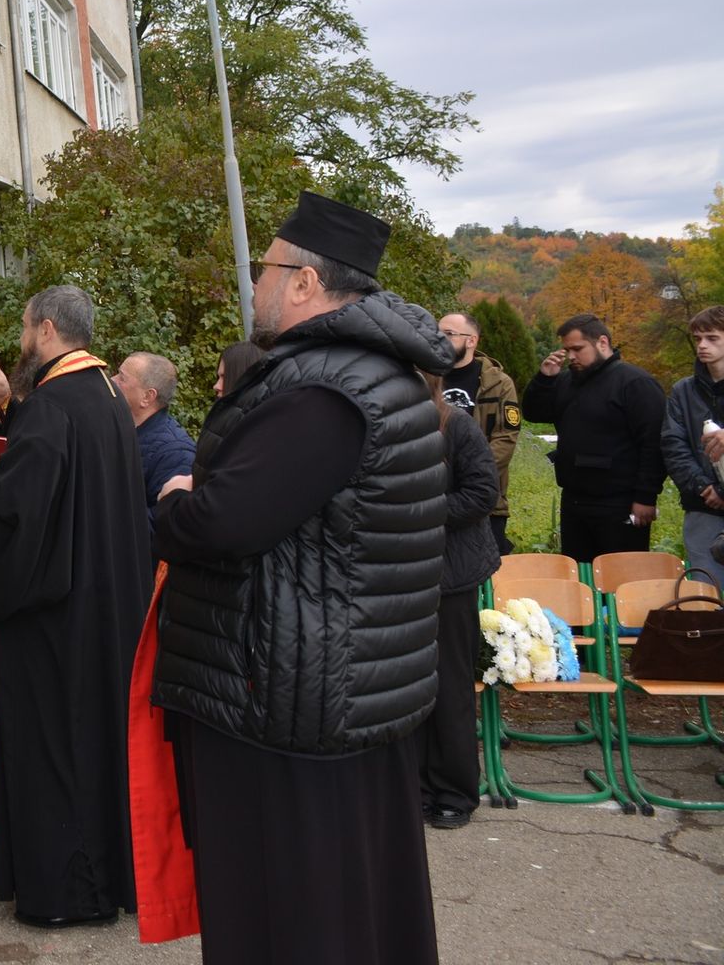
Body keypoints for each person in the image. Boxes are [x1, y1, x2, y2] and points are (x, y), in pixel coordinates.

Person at [149, 191, 451, 964]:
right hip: (333, 689)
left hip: (289, 703)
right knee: (352, 904)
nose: (255, 286)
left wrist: (174, 502)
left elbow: (226, 523)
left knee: (294, 914)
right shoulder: (373, 375)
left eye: (264, 270)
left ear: (306, 284)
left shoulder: (322, 391)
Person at [0, 285, 152, 928]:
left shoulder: (55, 404)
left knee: (53, 749)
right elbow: (62, 481)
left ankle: (63, 896)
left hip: (54, 624)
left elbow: (19, 510)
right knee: (95, 746)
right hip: (105, 610)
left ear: (43, 330)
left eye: (25, 330)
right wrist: (6, 410)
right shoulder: (109, 396)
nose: (22, 341)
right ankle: (103, 881)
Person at [418, 370, 503, 829]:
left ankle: (453, 791)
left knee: (448, 686)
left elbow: (482, 493)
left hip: (450, 575)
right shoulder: (384, 423)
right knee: (404, 685)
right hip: (398, 575)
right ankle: (415, 786)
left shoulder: (458, 426)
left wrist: (421, 511)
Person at [522, 313, 667, 562]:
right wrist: (544, 380)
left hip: (619, 502)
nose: (571, 357)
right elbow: (534, 414)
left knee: (620, 578)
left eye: (577, 349)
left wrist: (645, 497)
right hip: (575, 500)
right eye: (567, 350)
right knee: (580, 576)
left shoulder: (635, 383)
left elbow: (654, 443)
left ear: (602, 342)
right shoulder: (567, 381)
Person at [439, 310, 522, 554]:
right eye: (436, 333)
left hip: (484, 500)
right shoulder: (426, 377)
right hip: (433, 495)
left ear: (471, 340)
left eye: (448, 334)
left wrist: (471, 472)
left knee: (486, 575)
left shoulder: (498, 383)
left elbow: (506, 438)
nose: (439, 339)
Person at [663, 305, 724, 585]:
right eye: (698, 338)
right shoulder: (682, 391)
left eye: (712, 338)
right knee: (705, 590)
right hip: (703, 505)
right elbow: (674, 445)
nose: (702, 345)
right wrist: (704, 487)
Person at [112, 352, 196, 519]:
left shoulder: (175, 454)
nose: (112, 381)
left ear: (147, 397)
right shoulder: (119, 428)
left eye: (122, 378)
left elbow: (166, 525)